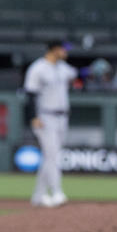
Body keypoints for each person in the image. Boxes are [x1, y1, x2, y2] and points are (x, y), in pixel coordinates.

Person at [23, 40, 77, 208]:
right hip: (45, 117)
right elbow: (30, 95)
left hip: (62, 117)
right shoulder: (38, 68)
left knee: (49, 157)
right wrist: (33, 117)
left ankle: (38, 196)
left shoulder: (62, 68)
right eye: (63, 49)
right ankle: (57, 192)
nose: (66, 52)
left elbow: (76, 74)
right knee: (52, 155)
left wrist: (89, 70)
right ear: (54, 50)